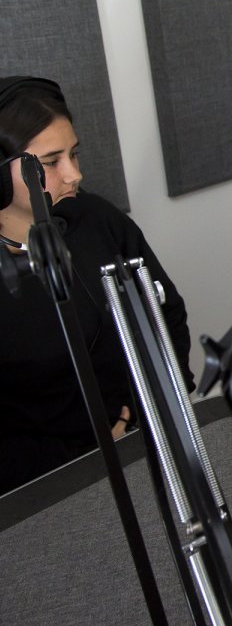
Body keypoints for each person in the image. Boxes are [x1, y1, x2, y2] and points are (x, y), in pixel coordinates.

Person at [0, 76, 193, 495]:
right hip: (41, 490)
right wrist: (86, 458)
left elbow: (166, 315)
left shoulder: (96, 218)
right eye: (51, 162)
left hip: (145, 444)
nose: (75, 174)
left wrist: (149, 417)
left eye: (74, 154)